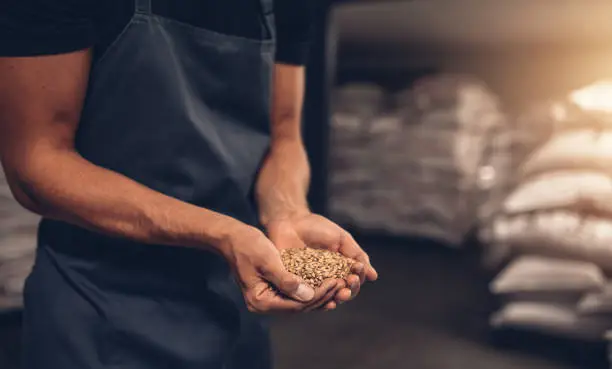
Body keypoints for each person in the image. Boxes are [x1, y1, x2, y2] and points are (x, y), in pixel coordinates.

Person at [0, 1, 378, 368]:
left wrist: (288, 211)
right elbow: (35, 163)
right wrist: (223, 233)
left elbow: (282, 135)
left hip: (233, 307)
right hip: (101, 310)